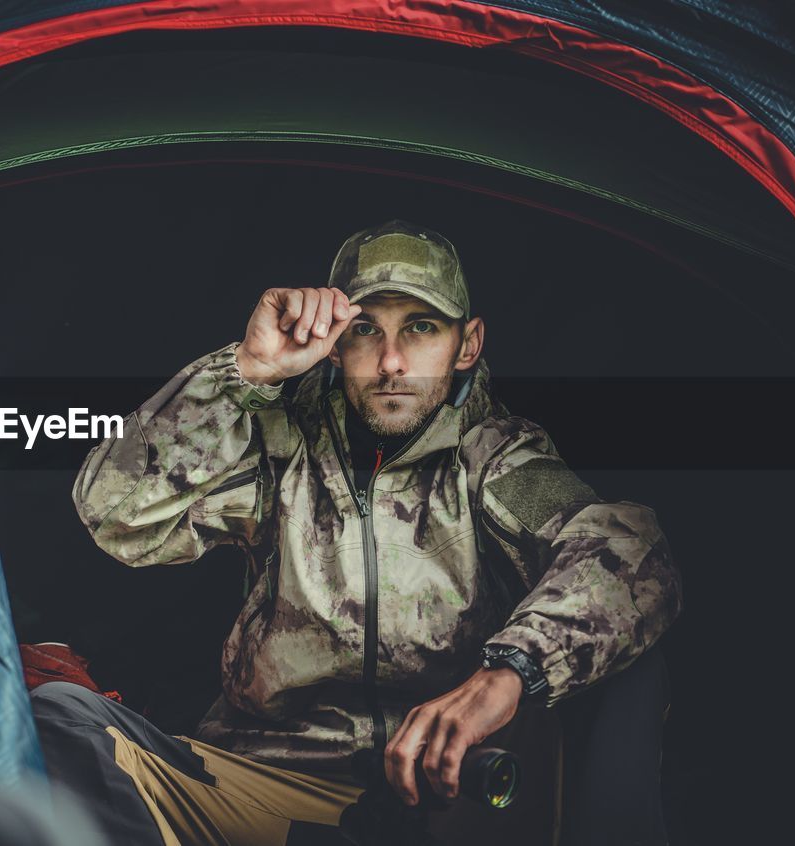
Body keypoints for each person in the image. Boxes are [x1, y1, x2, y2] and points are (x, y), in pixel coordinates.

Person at [33, 220, 682, 845]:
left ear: (467, 344)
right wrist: (247, 371)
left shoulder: (494, 461)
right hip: (262, 784)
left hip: (441, 797)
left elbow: (630, 548)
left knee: (634, 677)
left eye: (421, 328)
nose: (392, 361)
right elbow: (112, 509)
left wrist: (509, 673)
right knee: (62, 719)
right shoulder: (280, 451)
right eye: (367, 330)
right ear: (337, 342)